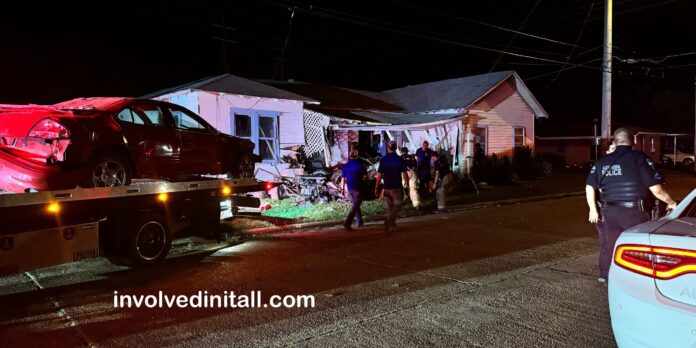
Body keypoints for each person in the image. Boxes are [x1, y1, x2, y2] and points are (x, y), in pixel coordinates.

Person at [585, 128, 677, 283]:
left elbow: (589, 186)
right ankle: (636, 279)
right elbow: (656, 189)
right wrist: (671, 202)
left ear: (614, 142)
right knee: (638, 247)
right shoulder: (639, 159)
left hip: (609, 213)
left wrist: (593, 210)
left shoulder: (601, 162)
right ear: (633, 141)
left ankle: (606, 276)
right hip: (635, 213)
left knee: (609, 245)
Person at [375, 141, 409, 234]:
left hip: (386, 187)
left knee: (390, 207)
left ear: (388, 148)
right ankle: (389, 220)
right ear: (395, 148)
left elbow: (379, 175)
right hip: (396, 187)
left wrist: (377, 187)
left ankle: (391, 224)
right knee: (397, 205)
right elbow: (404, 173)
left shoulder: (383, 160)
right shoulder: (399, 159)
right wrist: (407, 186)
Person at [341, 149, 367, 231]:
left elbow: (343, 178)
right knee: (355, 206)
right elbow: (366, 177)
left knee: (356, 204)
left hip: (350, 189)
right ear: (356, 156)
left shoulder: (345, 166)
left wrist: (342, 189)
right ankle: (347, 222)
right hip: (357, 188)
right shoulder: (360, 165)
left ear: (349, 156)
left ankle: (359, 221)